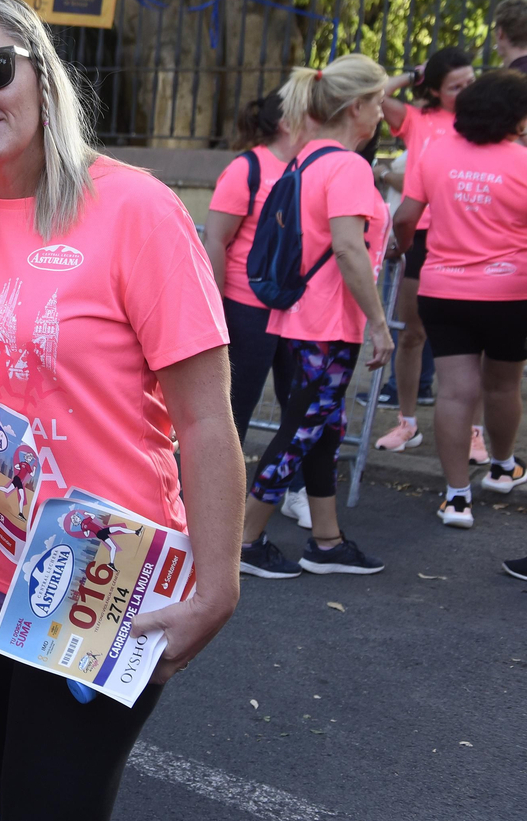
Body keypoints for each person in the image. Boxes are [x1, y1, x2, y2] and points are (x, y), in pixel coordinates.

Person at [0, 0, 243, 821]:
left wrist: (219, 586)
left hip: (99, 580)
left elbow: (208, 420)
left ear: (41, 72)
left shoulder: (134, 210)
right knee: (28, 815)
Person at [239, 55, 394, 579]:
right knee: (302, 429)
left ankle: (326, 542)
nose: (381, 113)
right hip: (328, 325)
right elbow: (349, 249)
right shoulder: (348, 165)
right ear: (355, 108)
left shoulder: (308, 159)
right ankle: (244, 538)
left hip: (302, 320)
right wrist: (378, 323)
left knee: (322, 428)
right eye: (375, 102)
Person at [394, 71, 527, 529]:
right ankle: (501, 468)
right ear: (517, 118)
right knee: (503, 384)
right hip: (512, 291)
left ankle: (456, 498)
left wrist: (405, 250)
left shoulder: (435, 154)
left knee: (455, 393)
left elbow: (405, 218)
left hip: (443, 288)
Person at [203, 92, 312, 534]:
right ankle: (211, 505)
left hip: (300, 312)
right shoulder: (247, 168)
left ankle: (298, 490)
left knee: (301, 408)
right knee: (235, 411)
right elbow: (216, 240)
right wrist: (215, 309)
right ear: (286, 120)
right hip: (247, 310)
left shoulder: (313, 163)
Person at [369, 48, 476, 457]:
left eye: (470, 82)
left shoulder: (482, 118)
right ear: (433, 89)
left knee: (474, 342)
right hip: (421, 233)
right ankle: (407, 423)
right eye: (455, 86)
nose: (466, 92)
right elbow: (369, 96)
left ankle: (475, 433)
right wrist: (410, 76)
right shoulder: (418, 119)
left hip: (467, 231)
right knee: (412, 333)